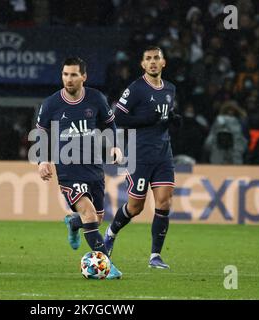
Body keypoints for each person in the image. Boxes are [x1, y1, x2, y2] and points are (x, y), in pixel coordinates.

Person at [35, 57, 123, 279]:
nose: (69, 79)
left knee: (96, 219)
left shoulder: (96, 98)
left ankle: (73, 224)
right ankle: (107, 265)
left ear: (84, 76)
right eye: (65, 74)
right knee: (89, 212)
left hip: (93, 167)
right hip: (68, 168)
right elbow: (42, 133)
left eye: (74, 74)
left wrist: (115, 146)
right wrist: (43, 160)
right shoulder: (51, 104)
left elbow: (109, 124)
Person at [104, 46, 182, 269]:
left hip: (163, 154)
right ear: (143, 64)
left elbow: (162, 117)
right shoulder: (136, 88)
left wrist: (173, 119)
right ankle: (110, 233)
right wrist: (145, 119)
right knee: (135, 206)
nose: (153, 62)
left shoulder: (170, 89)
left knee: (164, 202)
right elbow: (117, 118)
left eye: (156, 58)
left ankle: (155, 256)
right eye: (148, 59)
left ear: (163, 62)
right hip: (139, 154)